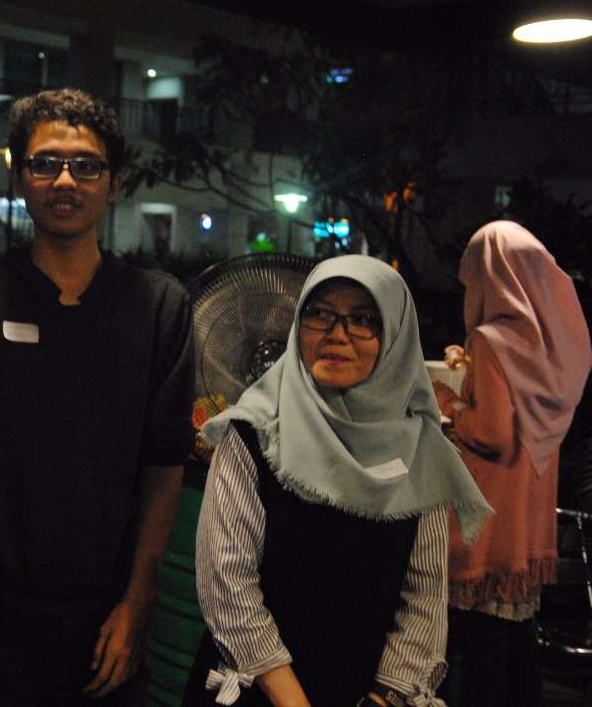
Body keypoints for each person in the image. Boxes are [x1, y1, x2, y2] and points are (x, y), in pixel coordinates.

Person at [0, 88, 194, 706]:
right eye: (45, 163)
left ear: (114, 183)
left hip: (104, 621)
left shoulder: (158, 305)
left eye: (86, 165)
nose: (65, 180)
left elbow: (164, 467)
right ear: (18, 176)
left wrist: (138, 603)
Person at [188, 255, 491, 707]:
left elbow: (423, 600)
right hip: (258, 688)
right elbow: (227, 582)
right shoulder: (255, 433)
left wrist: (383, 696)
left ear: (395, 336)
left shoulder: (420, 450)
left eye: (364, 320)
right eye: (320, 313)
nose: (337, 334)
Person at [433, 220, 592, 707]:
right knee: (516, 639)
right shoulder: (550, 345)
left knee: (478, 647)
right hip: (526, 516)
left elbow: (493, 435)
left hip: (488, 515)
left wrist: (449, 401)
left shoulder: (492, 340)